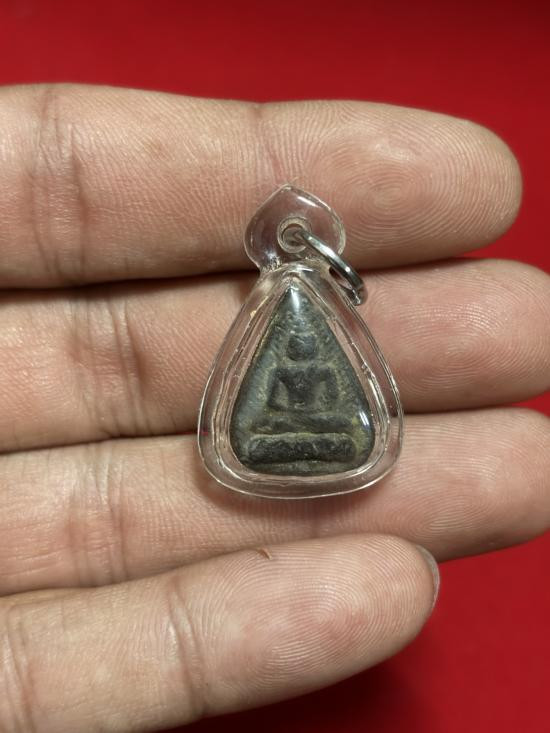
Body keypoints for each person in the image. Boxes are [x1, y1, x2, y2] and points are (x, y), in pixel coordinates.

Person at [0, 84, 548, 732]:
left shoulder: (309, 325)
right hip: (275, 425)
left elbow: (322, 401)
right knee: (276, 418)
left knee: (322, 415)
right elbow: (272, 408)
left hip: (322, 418)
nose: (301, 356)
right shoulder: (282, 321)